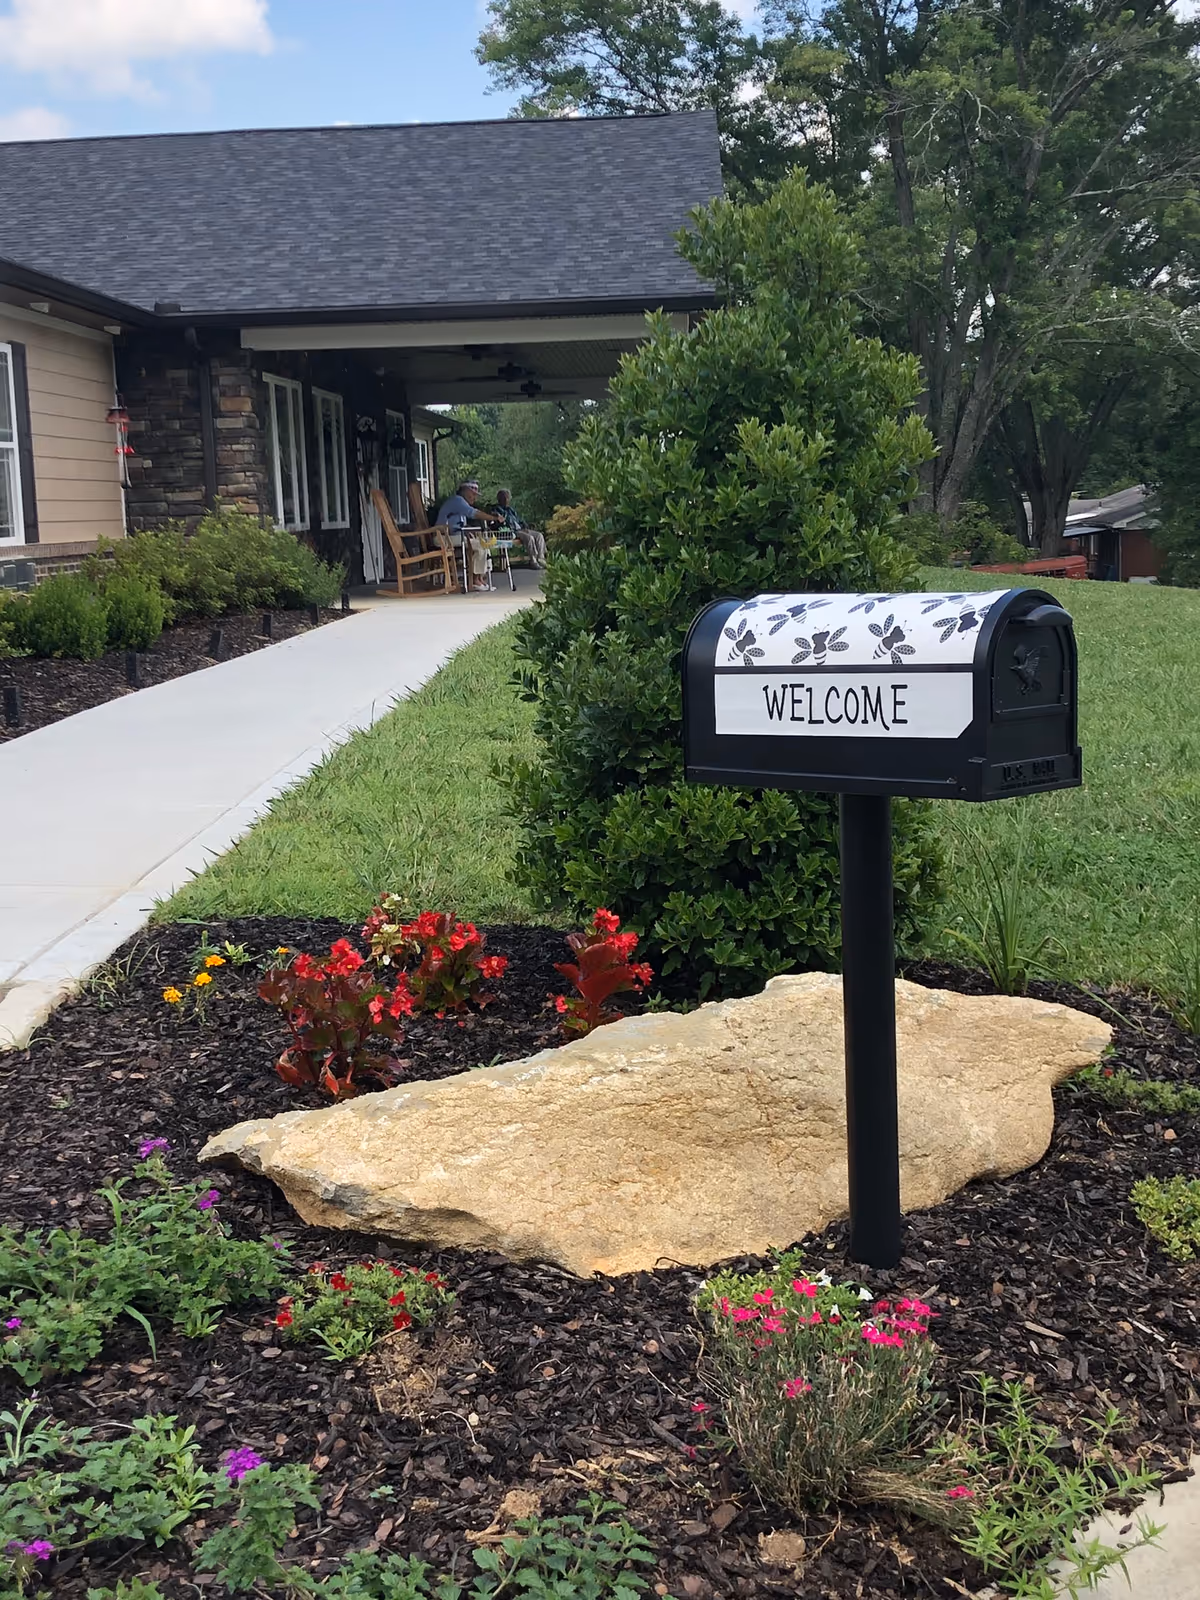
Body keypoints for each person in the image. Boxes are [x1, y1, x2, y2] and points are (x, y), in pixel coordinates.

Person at [435, 480, 501, 592]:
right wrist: (493, 518)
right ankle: (474, 580)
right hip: (442, 537)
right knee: (480, 545)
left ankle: (481, 578)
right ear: (465, 491)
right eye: (473, 494)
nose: (474, 498)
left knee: (484, 544)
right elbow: (474, 513)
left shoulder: (461, 503)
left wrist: (466, 532)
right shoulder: (458, 500)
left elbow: (456, 524)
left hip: (452, 536)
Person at [495, 488, 547, 568]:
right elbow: (502, 522)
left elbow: (519, 519)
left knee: (539, 535)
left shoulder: (511, 510)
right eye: (506, 498)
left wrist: (525, 525)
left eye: (508, 498)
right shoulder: (497, 509)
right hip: (512, 531)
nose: (508, 500)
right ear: (501, 499)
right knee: (529, 538)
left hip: (521, 529)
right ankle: (533, 561)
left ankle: (541, 558)